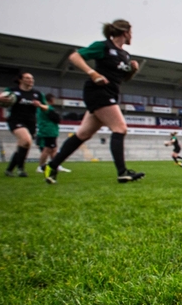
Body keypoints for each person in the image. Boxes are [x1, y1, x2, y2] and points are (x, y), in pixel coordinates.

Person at [44, 19, 144, 184]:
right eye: (131, 32)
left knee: (83, 134)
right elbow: (75, 56)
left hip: (110, 92)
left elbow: (123, 78)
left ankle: (52, 166)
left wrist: (132, 70)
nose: (132, 36)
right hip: (98, 92)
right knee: (120, 128)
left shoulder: (125, 55)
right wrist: (93, 73)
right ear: (125, 32)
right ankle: (122, 172)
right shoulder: (103, 46)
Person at [0, 71, 44, 177]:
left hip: (31, 122)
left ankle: (9, 170)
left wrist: (40, 105)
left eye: (32, 78)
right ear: (20, 80)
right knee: (26, 140)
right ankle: (21, 169)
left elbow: (47, 107)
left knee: (24, 145)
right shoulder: (12, 91)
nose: (31, 80)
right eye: (27, 78)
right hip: (16, 120)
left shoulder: (37, 94)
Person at [35, 93, 71, 174]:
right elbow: (55, 117)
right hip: (48, 131)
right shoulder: (44, 108)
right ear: (51, 100)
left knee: (53, 149)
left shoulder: (46, 108)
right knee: (47, 149)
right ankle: (41, 166)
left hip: (51, 130)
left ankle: (56, 165)